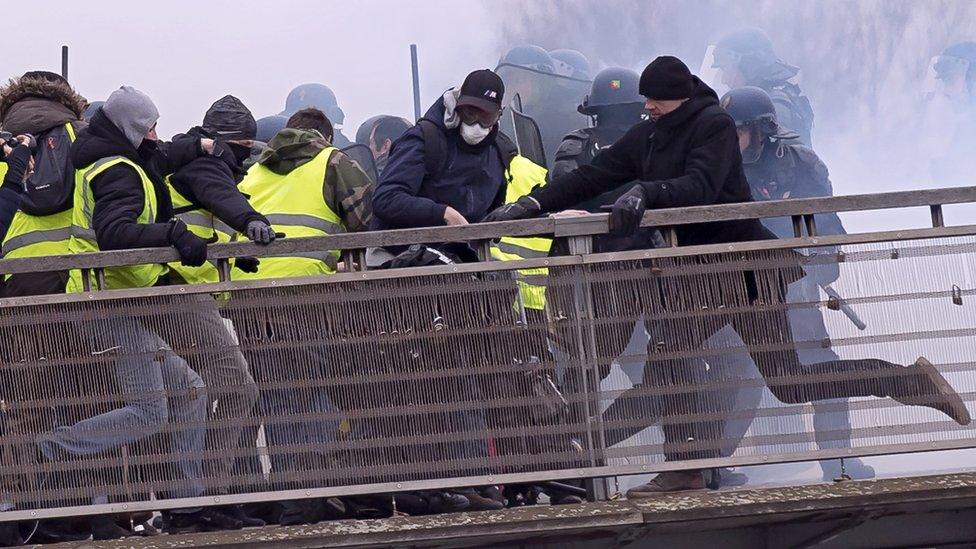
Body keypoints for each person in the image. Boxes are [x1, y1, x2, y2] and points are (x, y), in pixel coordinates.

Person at [484, 56, 971, 495]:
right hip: (700, 278)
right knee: (680, 356)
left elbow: (702, 184)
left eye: (656, 100)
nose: (648, 107)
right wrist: (531, 203)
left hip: (744, 271)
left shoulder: (712, 125)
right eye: (646, 99)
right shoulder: (651, 133)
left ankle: (901, 382)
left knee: (784, 380)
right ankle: (685, 469)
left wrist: (645, 193)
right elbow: (595, 174)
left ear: (680, 97)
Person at [64, 86, 250, 532]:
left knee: (189, 393)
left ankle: (187, 507)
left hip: (120, 297)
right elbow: (114, 233)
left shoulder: (126, 155)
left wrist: (203, 144)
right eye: (148, 126)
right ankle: (50, 450)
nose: (155, 135)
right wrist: (176, 234)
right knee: (152, 410)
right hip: (106, 304)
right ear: (130, 129)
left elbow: (166, 152)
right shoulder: (119, 170)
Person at [371, 69, 546, 513]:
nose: (475, 122)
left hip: (469, 283)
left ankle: (489, 477)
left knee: (486, 376)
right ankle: (449, 478)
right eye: (468, 111)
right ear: (456, 104)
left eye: (484, 116)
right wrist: (441, 213)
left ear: (498, 117)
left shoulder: (500, 153)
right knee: (441, 382)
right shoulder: (423, 139)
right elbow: (386, 200)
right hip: (414, 281)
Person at [232, 106, 373, 525]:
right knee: (306, 396)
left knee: (269, 396)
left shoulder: (252, 172)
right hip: (305, 299)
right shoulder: (333, 161)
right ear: (324, 137)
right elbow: (369, 221)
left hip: (245, 301)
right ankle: (301, 502)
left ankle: (266, 497)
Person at [165, 94, 276, 527]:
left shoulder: (186, 160)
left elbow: (198, 216)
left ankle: (219, 496)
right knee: (238, 389)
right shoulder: (204, 162)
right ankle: (203, 498)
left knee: (199, 396)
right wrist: (248, 219)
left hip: (183, 293)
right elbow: (216, 194)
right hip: (181, 298)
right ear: (231, 143)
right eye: (247, 149)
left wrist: (228, 253)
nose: (248, 161)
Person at [0, 71, 87, 297]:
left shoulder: (4, 145)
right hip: (78, 271)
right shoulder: (81, 135)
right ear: (67, 98)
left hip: (16, 273)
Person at [709, 27, 815, 147]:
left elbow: (775, 162)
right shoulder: (760, 104)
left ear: (749, 67)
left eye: (726, 69)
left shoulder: (773, 108)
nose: (724, 80)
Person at [280, 84, 351, 147]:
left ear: (335, 117)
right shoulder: (278, 155)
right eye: (296, 122)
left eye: (313, 122)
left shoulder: (353, 155)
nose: (302, 131)